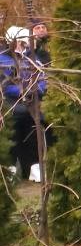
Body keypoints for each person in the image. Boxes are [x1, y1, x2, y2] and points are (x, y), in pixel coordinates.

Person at [1, 27, 48, 181]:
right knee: (12, 136)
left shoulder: (33, 59)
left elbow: (42, 82)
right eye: (21, 42)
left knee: (34, 134)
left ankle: (34, 166)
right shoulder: (3, 60)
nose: (23, 46)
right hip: (11, 106)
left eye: (24, 43)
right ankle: (11, 168)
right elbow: (5, 86)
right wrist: (24, 90)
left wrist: (35, 90)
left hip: (31, 105)